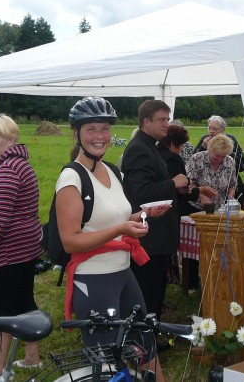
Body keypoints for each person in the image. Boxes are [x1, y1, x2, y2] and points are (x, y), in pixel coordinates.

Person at [56, 97, 170, 381]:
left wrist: (143, 216)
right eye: (92, 129)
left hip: (123, 273)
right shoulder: (72, 179)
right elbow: (70, 241)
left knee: (146, 347)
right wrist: (121, 228)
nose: (100, 136)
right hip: (94, 278)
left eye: (105, 129)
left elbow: (117, 219)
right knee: (105, 364)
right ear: (78, 133)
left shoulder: (112, 171)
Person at [0, 114, 45, 375]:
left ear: (10, 139)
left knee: (2, 311)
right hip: (25, 249)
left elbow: (0, 216)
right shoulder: (21, 164)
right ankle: (31, 356)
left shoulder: (8, 169)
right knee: (23, 302)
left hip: (8, 252)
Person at [121, 100, 189, 324]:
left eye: (168, 120)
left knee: (155, 291)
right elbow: (141, 192)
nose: (166, 125)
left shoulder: (152, 146)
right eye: (161, 120)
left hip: (157, 237)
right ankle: (143, 341)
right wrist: (173, 182)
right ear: (146, 121)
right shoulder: (139, 149)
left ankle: (150, 334)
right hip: (149, 237)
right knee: (147, 292)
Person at [158, 125, 217, 291]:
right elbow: (183, 190)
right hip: (170, 212)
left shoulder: (157, 155)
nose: (182, 149)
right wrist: (201, 190)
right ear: (174, 144)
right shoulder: (173, 159)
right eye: (181, 145)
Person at [193, 116, 244, 203]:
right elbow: (193, 161)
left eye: (215, 129)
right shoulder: (205, 139)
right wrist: (203, 147)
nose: (211, 131)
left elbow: (242, 163)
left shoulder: (231, 140)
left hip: (227, 184)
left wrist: (224, 153)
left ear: (222, 130)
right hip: (203, 191)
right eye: (209, 128)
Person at [186, 134, 237, 211]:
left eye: (223, 156)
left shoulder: (230, 162)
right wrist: (202, 196)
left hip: (220, 208)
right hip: (196, 207)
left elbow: (232, 184)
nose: (220, 159)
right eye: (217, 155)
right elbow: (189, 182)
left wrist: (230, 198)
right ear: (210, 150)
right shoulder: (197, 159)